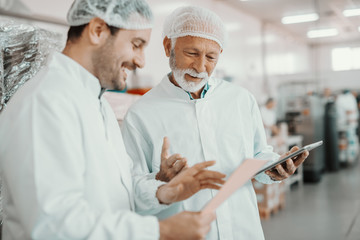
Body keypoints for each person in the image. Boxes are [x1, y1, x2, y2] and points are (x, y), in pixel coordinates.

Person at [0, 1, 227, 239]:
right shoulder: (45, 103)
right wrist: (161, 230)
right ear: (98, 30)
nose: (141, 61)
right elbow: (52, 225)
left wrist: (164, 192)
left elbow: (120, 187)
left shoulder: (96, 102)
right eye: (136, 45)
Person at [121, 6, 309, 240]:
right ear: (168, 46)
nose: (200, 67)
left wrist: (274, 168)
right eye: (191, 53)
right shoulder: (141, 114)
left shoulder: (240, 99)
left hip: (244, 229)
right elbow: (131, 190)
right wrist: (160, 181)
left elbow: (259, 154)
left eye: (211, 57)